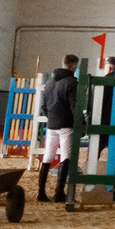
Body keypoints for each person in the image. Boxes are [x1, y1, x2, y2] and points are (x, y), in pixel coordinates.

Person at [39, 54, 79, 204]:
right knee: (66, 157)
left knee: (47, 157)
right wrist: (80, 122)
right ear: (72, 65)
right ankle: (59, 192)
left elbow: (43, 105)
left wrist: (51, 118)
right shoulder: (72, 82)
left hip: (51, 125)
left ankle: (41, 192)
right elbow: (74, 106)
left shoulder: (49, 82)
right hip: (65, 124)